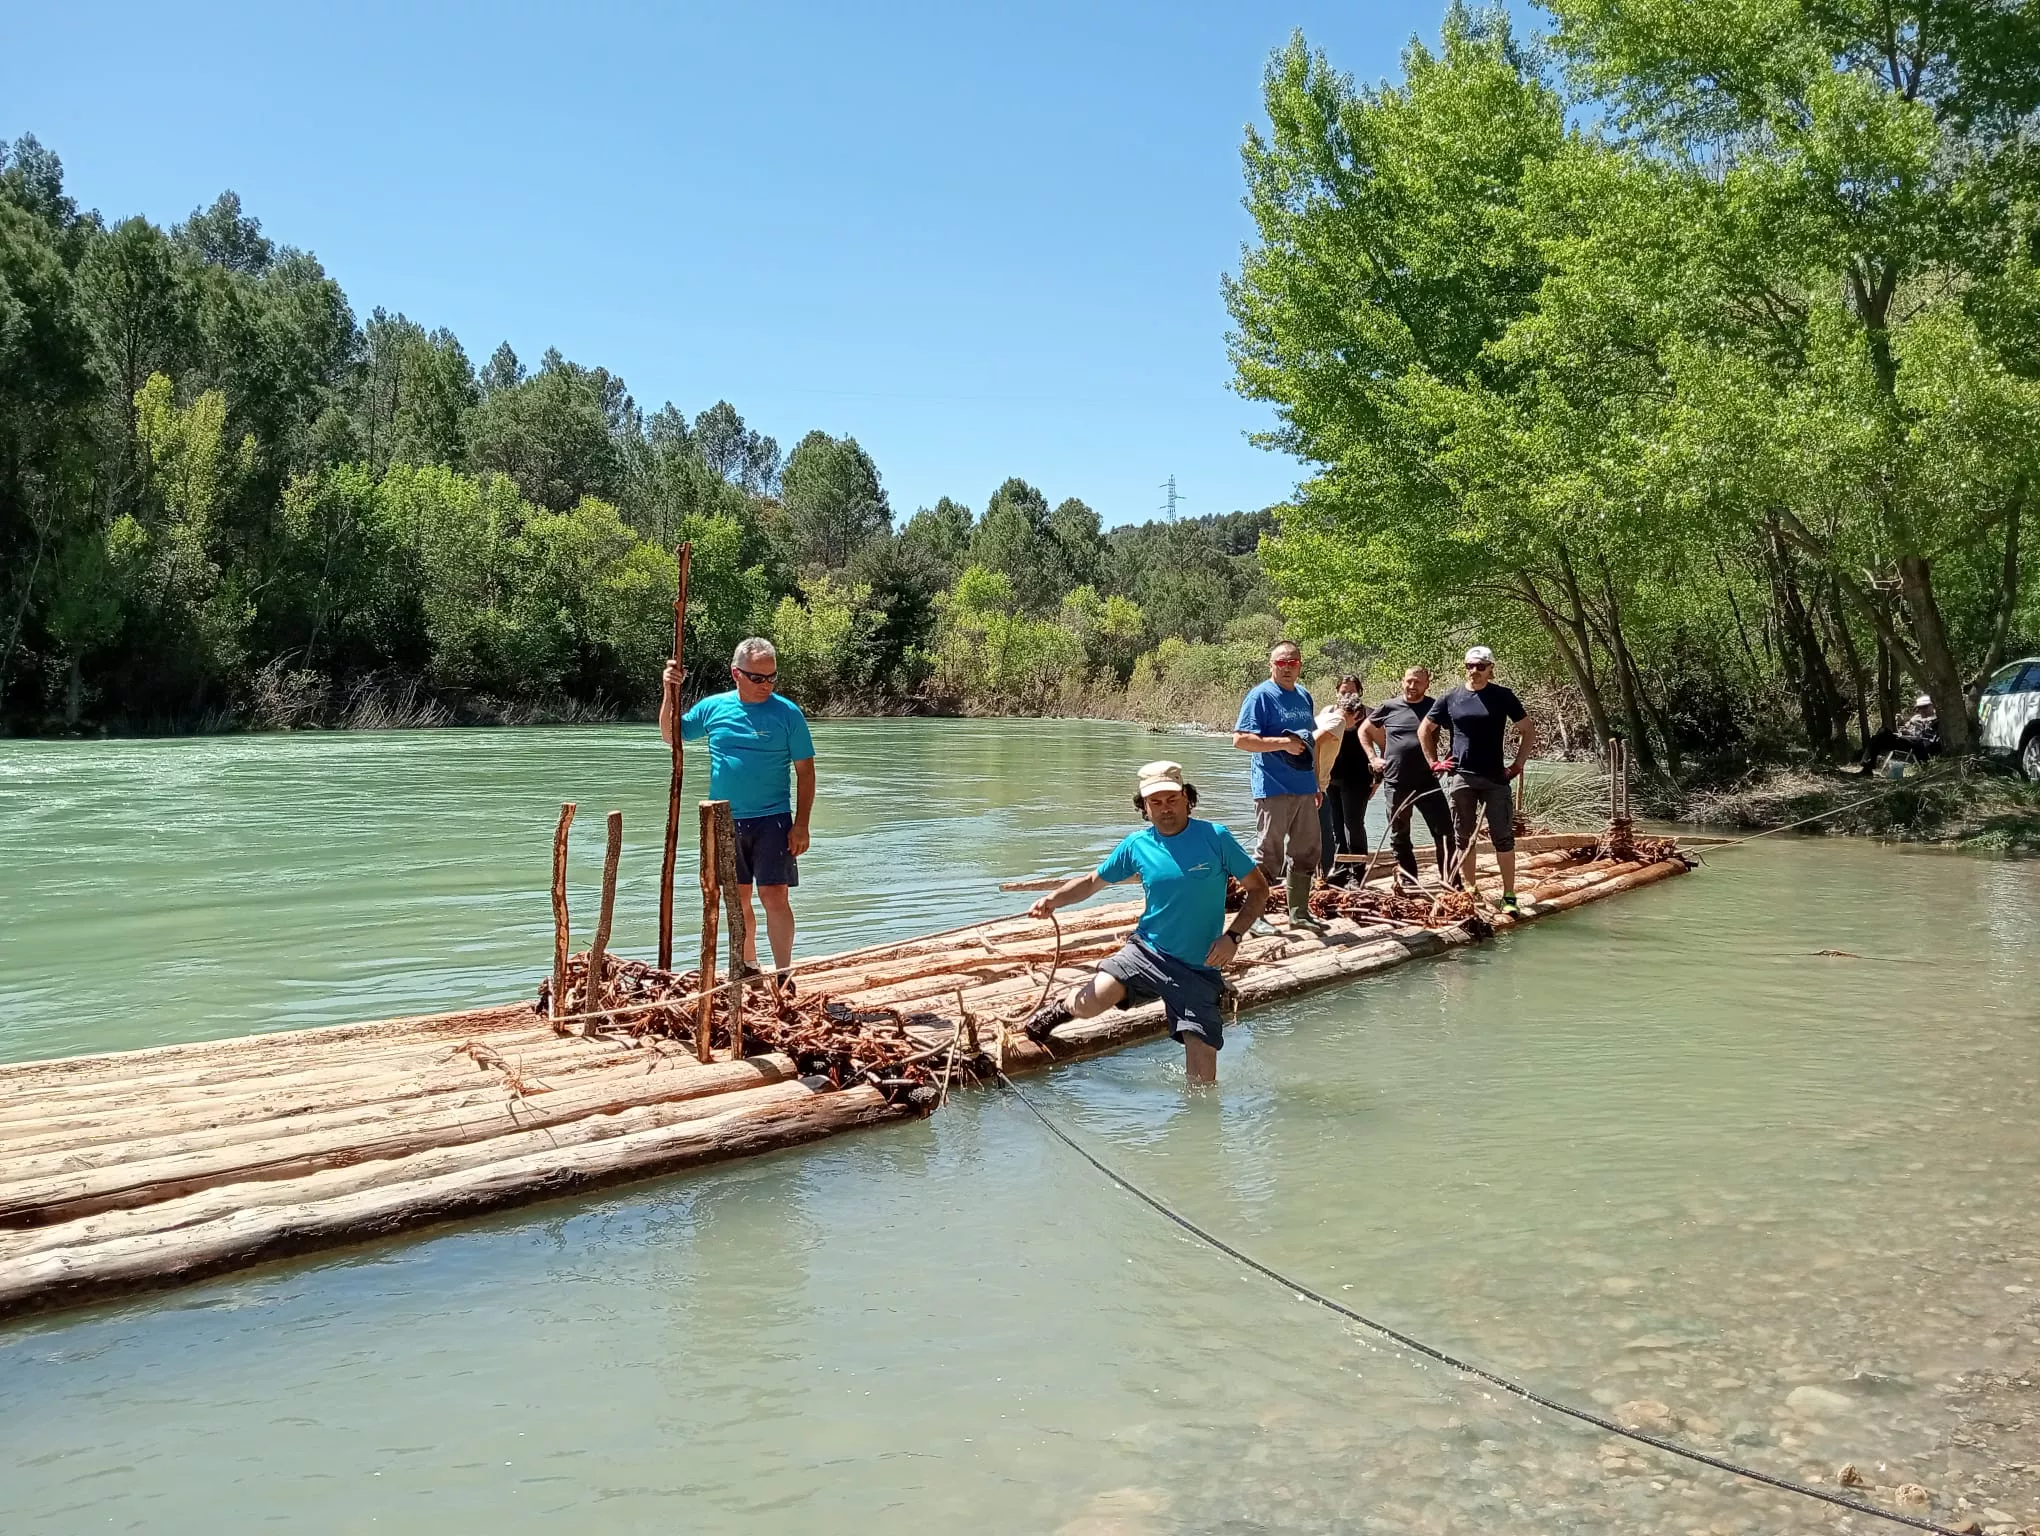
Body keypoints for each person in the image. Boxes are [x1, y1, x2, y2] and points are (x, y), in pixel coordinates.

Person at [1023, 761, 1271, 1085]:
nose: (1165, 808)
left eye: (1172, 799)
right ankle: (1055, 1013)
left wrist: (1233, 937)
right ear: (1144, 806)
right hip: (1147, 952)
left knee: (1203, 1081)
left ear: (1187, 798)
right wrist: (1054, 899)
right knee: (1090, 1003)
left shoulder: (1216, 837)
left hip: (1200, 966)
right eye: (1155, 802)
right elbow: (1091, 881)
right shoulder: (1137, 845)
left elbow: (1259, 889)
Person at [659, 638, 816, 979]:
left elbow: (806, 772)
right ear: (736, 673)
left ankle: (784, 973)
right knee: (738, 898)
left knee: (774, 896)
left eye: (772, 677)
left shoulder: (787, 713)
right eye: (758, 678)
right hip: (725, 819)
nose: (767, 685)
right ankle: (748, 966)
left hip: (773, 819)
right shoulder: (714, 708)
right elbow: (673, 735)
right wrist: (669, 690)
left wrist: (801, 824)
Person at [1417, 646, 1538, 914]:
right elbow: (1425, 729)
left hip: (1495, 778)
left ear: (1490, 668)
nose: (1475, 671)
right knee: (1464, 837)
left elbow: (1527, 730)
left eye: (1480, 666)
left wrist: (1519, 764)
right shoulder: (1451, 697)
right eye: (1470, 666)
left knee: (1503, 838)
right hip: (1461, 777)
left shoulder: (1502, 696)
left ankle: (1509, 895)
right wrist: (1433, 762)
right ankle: (1470, 889)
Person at [1232, 640, 1323, 929]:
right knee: (1269, 854)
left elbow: (1311, 743)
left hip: (1305, 787)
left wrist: (1318, 781)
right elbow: (1241, 740)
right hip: (1272, 788)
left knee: (1307, 851)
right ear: (1271, 665)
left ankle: (1299, 913)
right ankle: (1255, 916)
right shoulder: (1260, 696)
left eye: (1292, 663)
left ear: (1300, 665)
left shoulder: (1304, 696)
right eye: (1281, 663)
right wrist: (1283, 743)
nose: (1286, 668)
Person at [1362, 665, 1456, 888]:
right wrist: (1373, 758)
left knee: (1444, 831)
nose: (1412, 686)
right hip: (1396, 781)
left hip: (1427, 781)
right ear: (1403, 681)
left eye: (1418, 682)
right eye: (1409, 681)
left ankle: (1450, 878)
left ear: (1427, 685)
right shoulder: (1389, 706)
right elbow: (1363, 730)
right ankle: (1408, 878)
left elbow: (1457, 731)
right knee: (1399, 833)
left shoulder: (1435, 707)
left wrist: (1448, 757)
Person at [1315, 675, 1376, 885]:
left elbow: (1385, 745)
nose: (1347, 695)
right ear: (1336, 692)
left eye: (1352, 691)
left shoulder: (1368, 715)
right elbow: (1316, 742)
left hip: (1358, 778)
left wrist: (1377, 779)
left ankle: (1357, 873)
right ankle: (1340, 869)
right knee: (1335, 826)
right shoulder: (1328, 713)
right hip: (1331, 777)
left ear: (1360, 692)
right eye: (1343, 691)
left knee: (1353, 826)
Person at [1859, 694, 1941, 768]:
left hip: (1922, 745)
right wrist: (1902, 725)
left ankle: (1869, 763)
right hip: (1908, 741)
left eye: (1925, 706)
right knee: (1881, 733)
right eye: (1919, 708)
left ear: (1932, 706)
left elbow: (1930, 738)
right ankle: (1868, 762)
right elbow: (1904, 729)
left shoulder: (1937, 718)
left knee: (1881, 735)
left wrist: (1923, 726)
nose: (1922, 710)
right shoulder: (1916, 718)